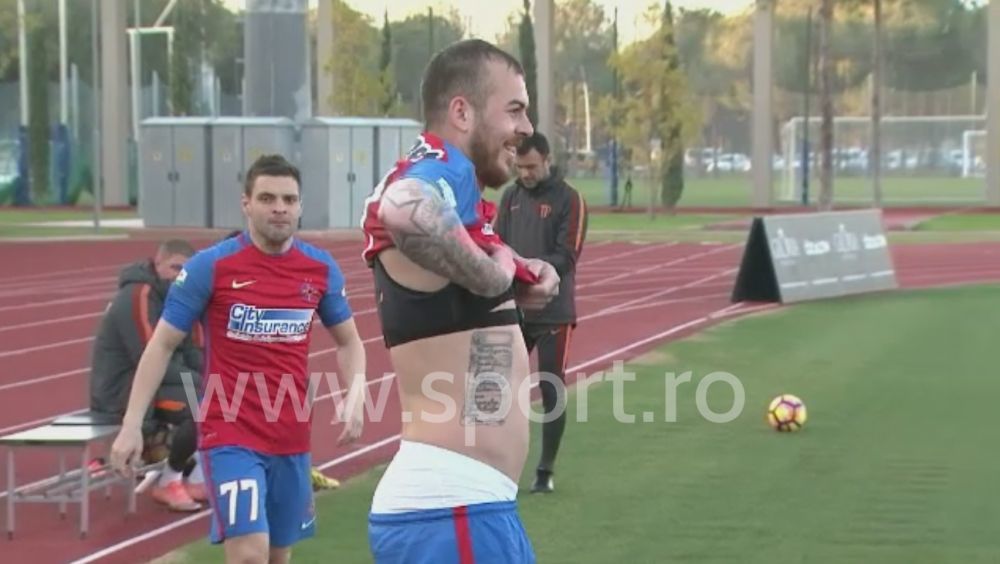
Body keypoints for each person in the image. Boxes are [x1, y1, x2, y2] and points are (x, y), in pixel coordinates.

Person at [110, 154, 368, 564]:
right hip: (230, 433)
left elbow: (349, 341)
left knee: (278, 556)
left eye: (288, 199)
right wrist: (131, 425)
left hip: (291, 434)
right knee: (250, 555)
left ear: (300, 206)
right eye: (267, 198)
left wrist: (355, 394)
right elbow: (161, 345)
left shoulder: (319, 269)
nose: (279, 208)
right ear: (246, 203)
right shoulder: (210, 267)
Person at [361, 39, 560, 563]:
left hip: (469, 507)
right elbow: (403, 208)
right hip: (451, 509)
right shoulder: (441, 167)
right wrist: (494, 279)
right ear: (462, 112)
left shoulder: (462, 192)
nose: (525, 127)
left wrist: (520, 274)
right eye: (514, 109)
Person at [494, 131, 589, 494]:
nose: (525, 174)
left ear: (547, 160)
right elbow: (498, 245)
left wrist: (529, 271)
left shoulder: (570, 199)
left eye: (532, 167)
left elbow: (567, 255)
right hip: (513, 310)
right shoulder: (511, 197)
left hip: (554, 313)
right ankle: (501, 465)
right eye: (520, 167)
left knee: (551, 388)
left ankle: (545, 470)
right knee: (501, 388)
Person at [89, 239, 207, 511]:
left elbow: (194, 352)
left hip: (160, 383)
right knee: (205, 406)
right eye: (175, 267)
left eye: (186, 271)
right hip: (125, 391)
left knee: (225, 397)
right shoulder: (138, 296)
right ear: (158, 264)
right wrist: (201, 382)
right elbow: (149, 359)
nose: (180, 275)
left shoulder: (183, 296)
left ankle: (198, 476)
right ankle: (169, 481)